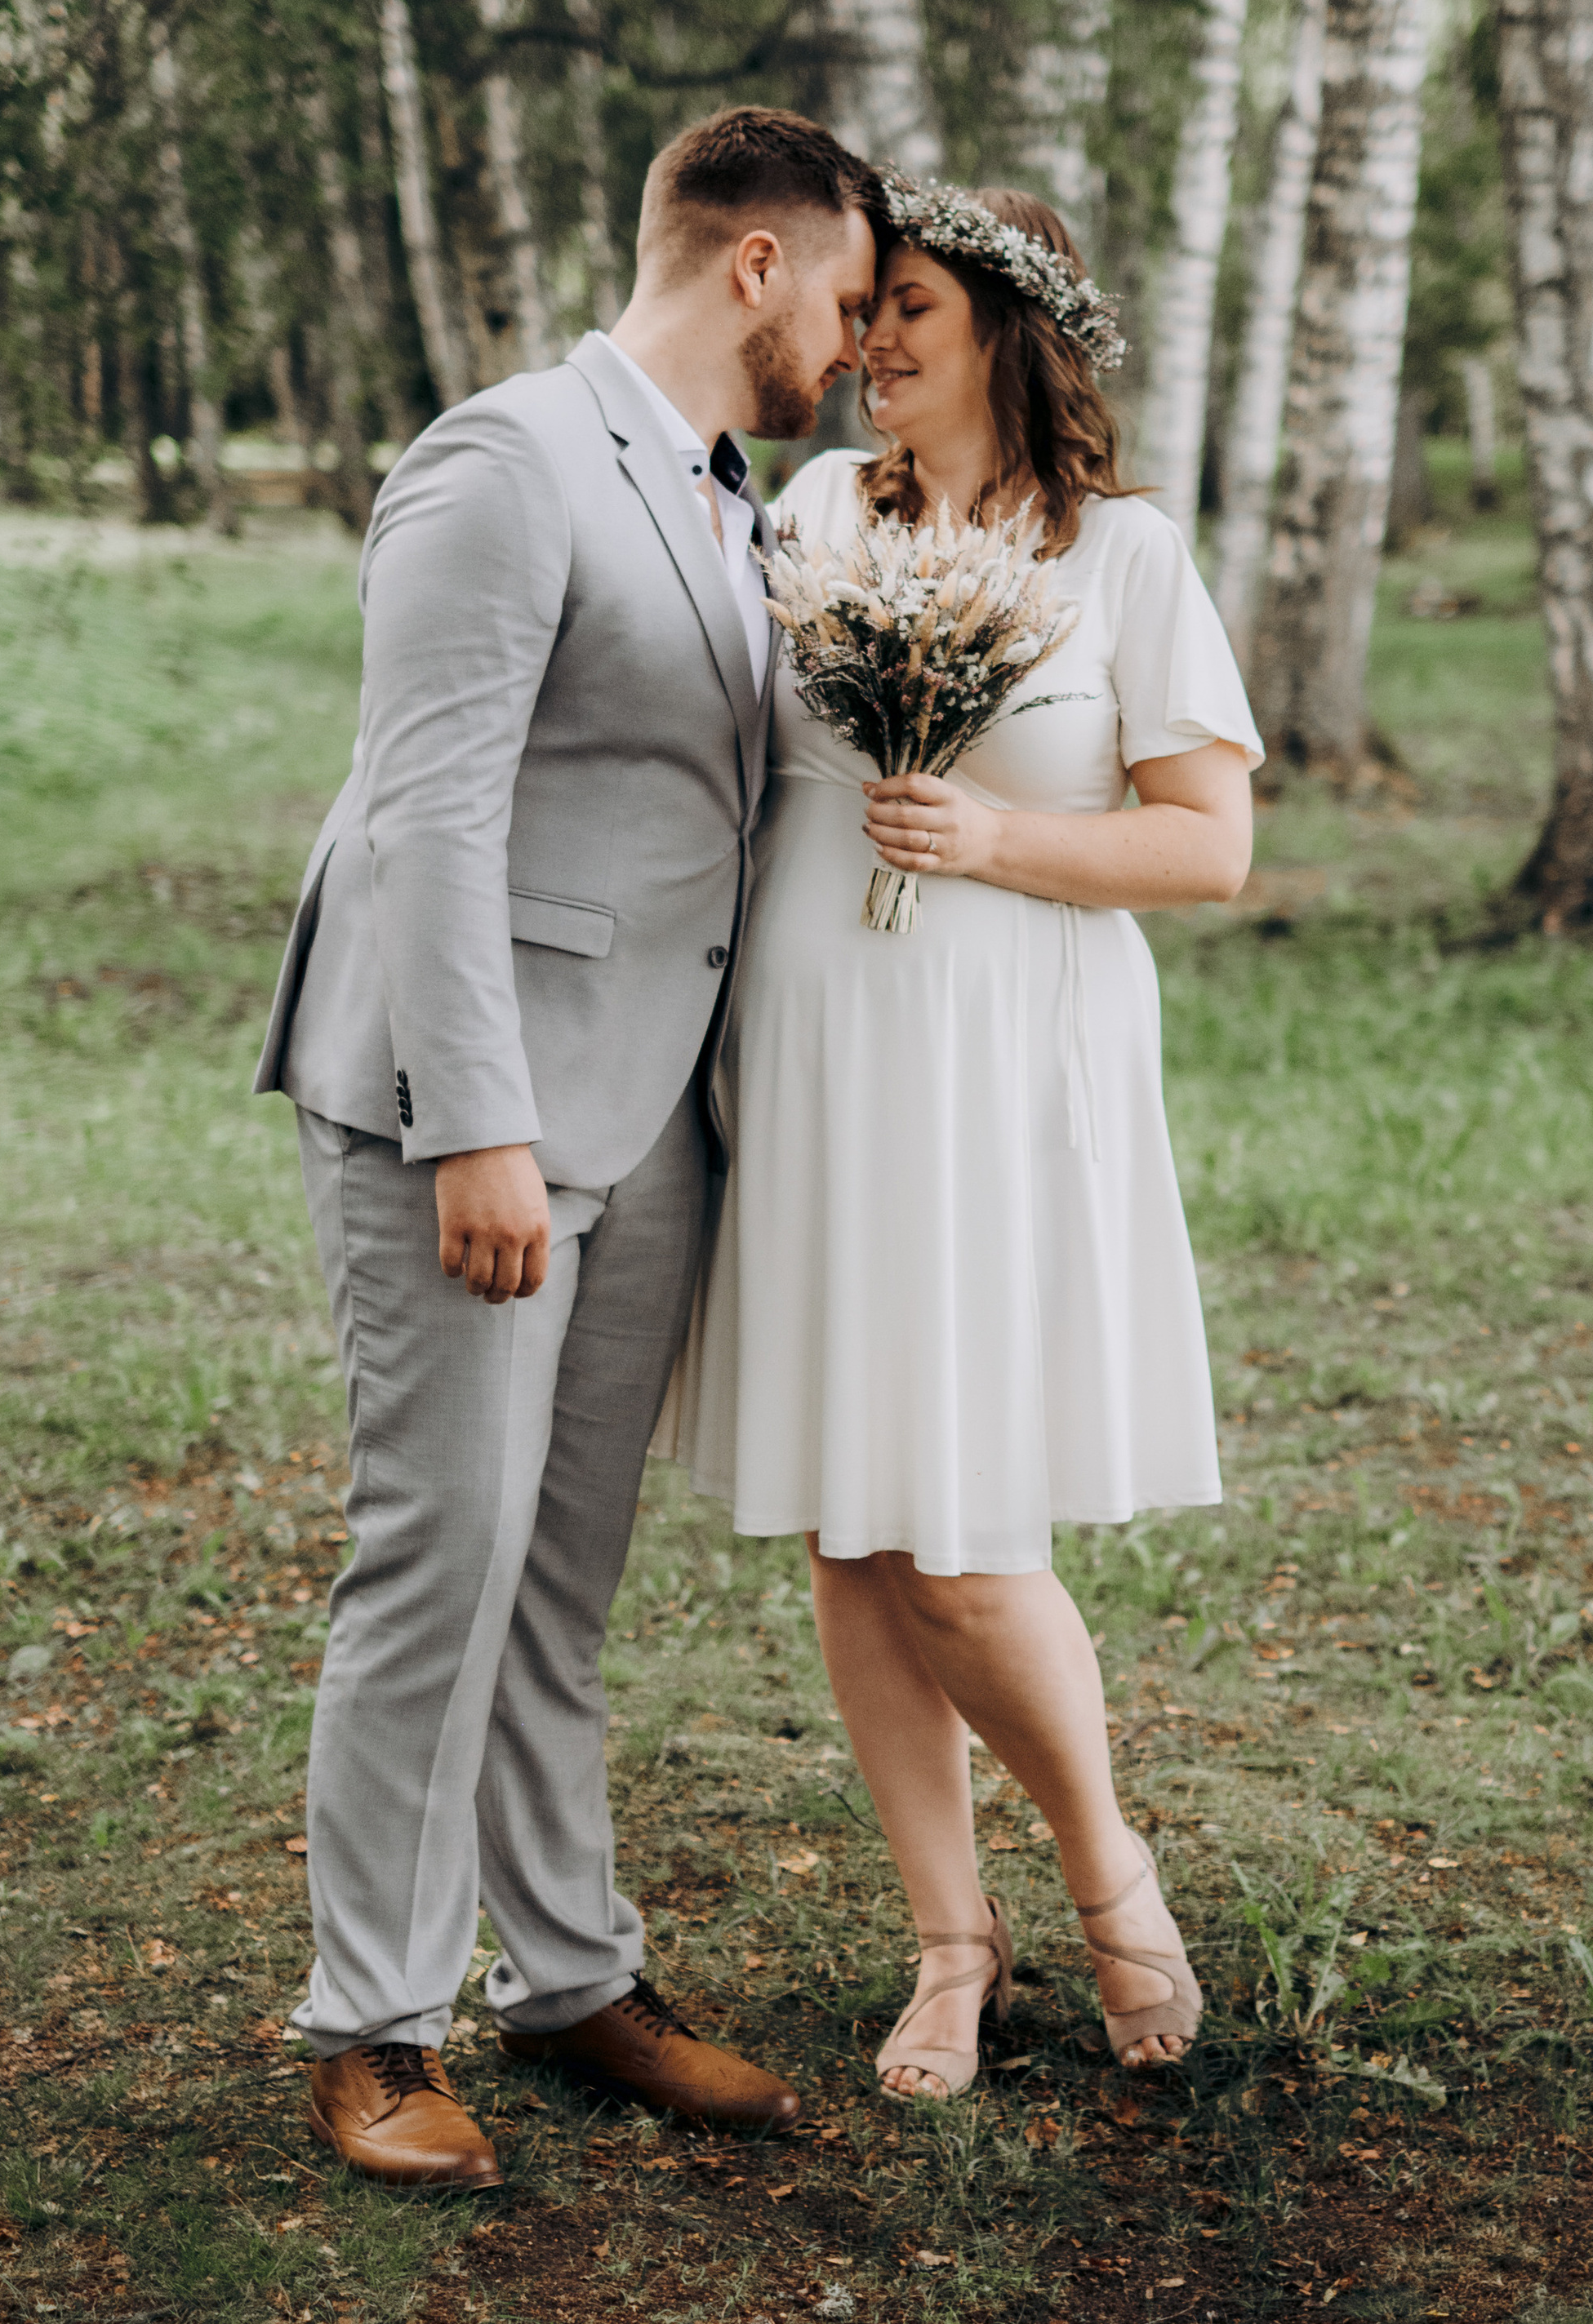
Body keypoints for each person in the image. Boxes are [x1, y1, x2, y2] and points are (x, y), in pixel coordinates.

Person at [252, 107, 881, 2186]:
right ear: (757, 268)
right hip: (485, 1119)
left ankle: (567, 1976)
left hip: (657, 1115)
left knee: (562, 1581)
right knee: (438, 1562)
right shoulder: (501, 459)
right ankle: (368, 2027)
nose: (861, 350)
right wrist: (477, 1130)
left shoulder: (740, 507)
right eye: (853, 301)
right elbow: (424, 811)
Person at [663, 181, 1260, 2100]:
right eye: (865, 310)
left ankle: (1103, 1872)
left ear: (1008, 326)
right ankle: (947, 1938)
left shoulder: (1121, 556)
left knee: (964, 1535)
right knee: (854, 1524)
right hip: (819, 1057)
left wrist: (999, 841)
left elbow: (1206, 844)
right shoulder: (812, 512)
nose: (871, 343)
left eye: (907, 307)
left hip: (1006, 1068)